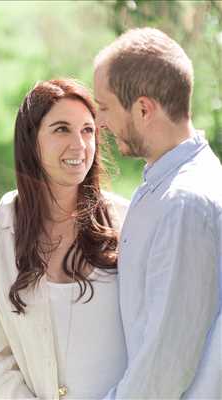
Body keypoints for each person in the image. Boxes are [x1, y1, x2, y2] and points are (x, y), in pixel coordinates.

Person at [0, 79, 129, 399]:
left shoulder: (130, 222)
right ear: (31, 141)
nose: (79, 145)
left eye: (88, 130)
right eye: (61, 129)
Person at [94, 27, 222, 399]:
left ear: (144, 109)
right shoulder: (165, 185)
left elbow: (165, 364)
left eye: (104, 107)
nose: (100, 123)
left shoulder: (183, 204)